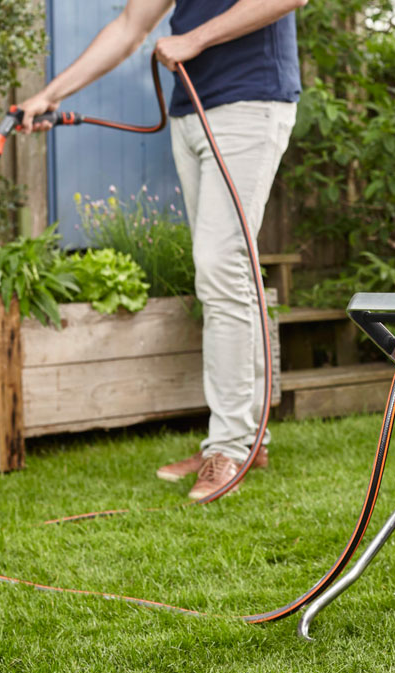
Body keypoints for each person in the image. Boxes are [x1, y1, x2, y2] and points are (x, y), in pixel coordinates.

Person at [19, 0, 304, 498]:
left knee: (220, 267)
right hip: (191, 112)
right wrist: (50, 94)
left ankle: (230, 445)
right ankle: (242, 439)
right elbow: (130, 26)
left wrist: (195, 39)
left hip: (250, 102)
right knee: (228, 272)